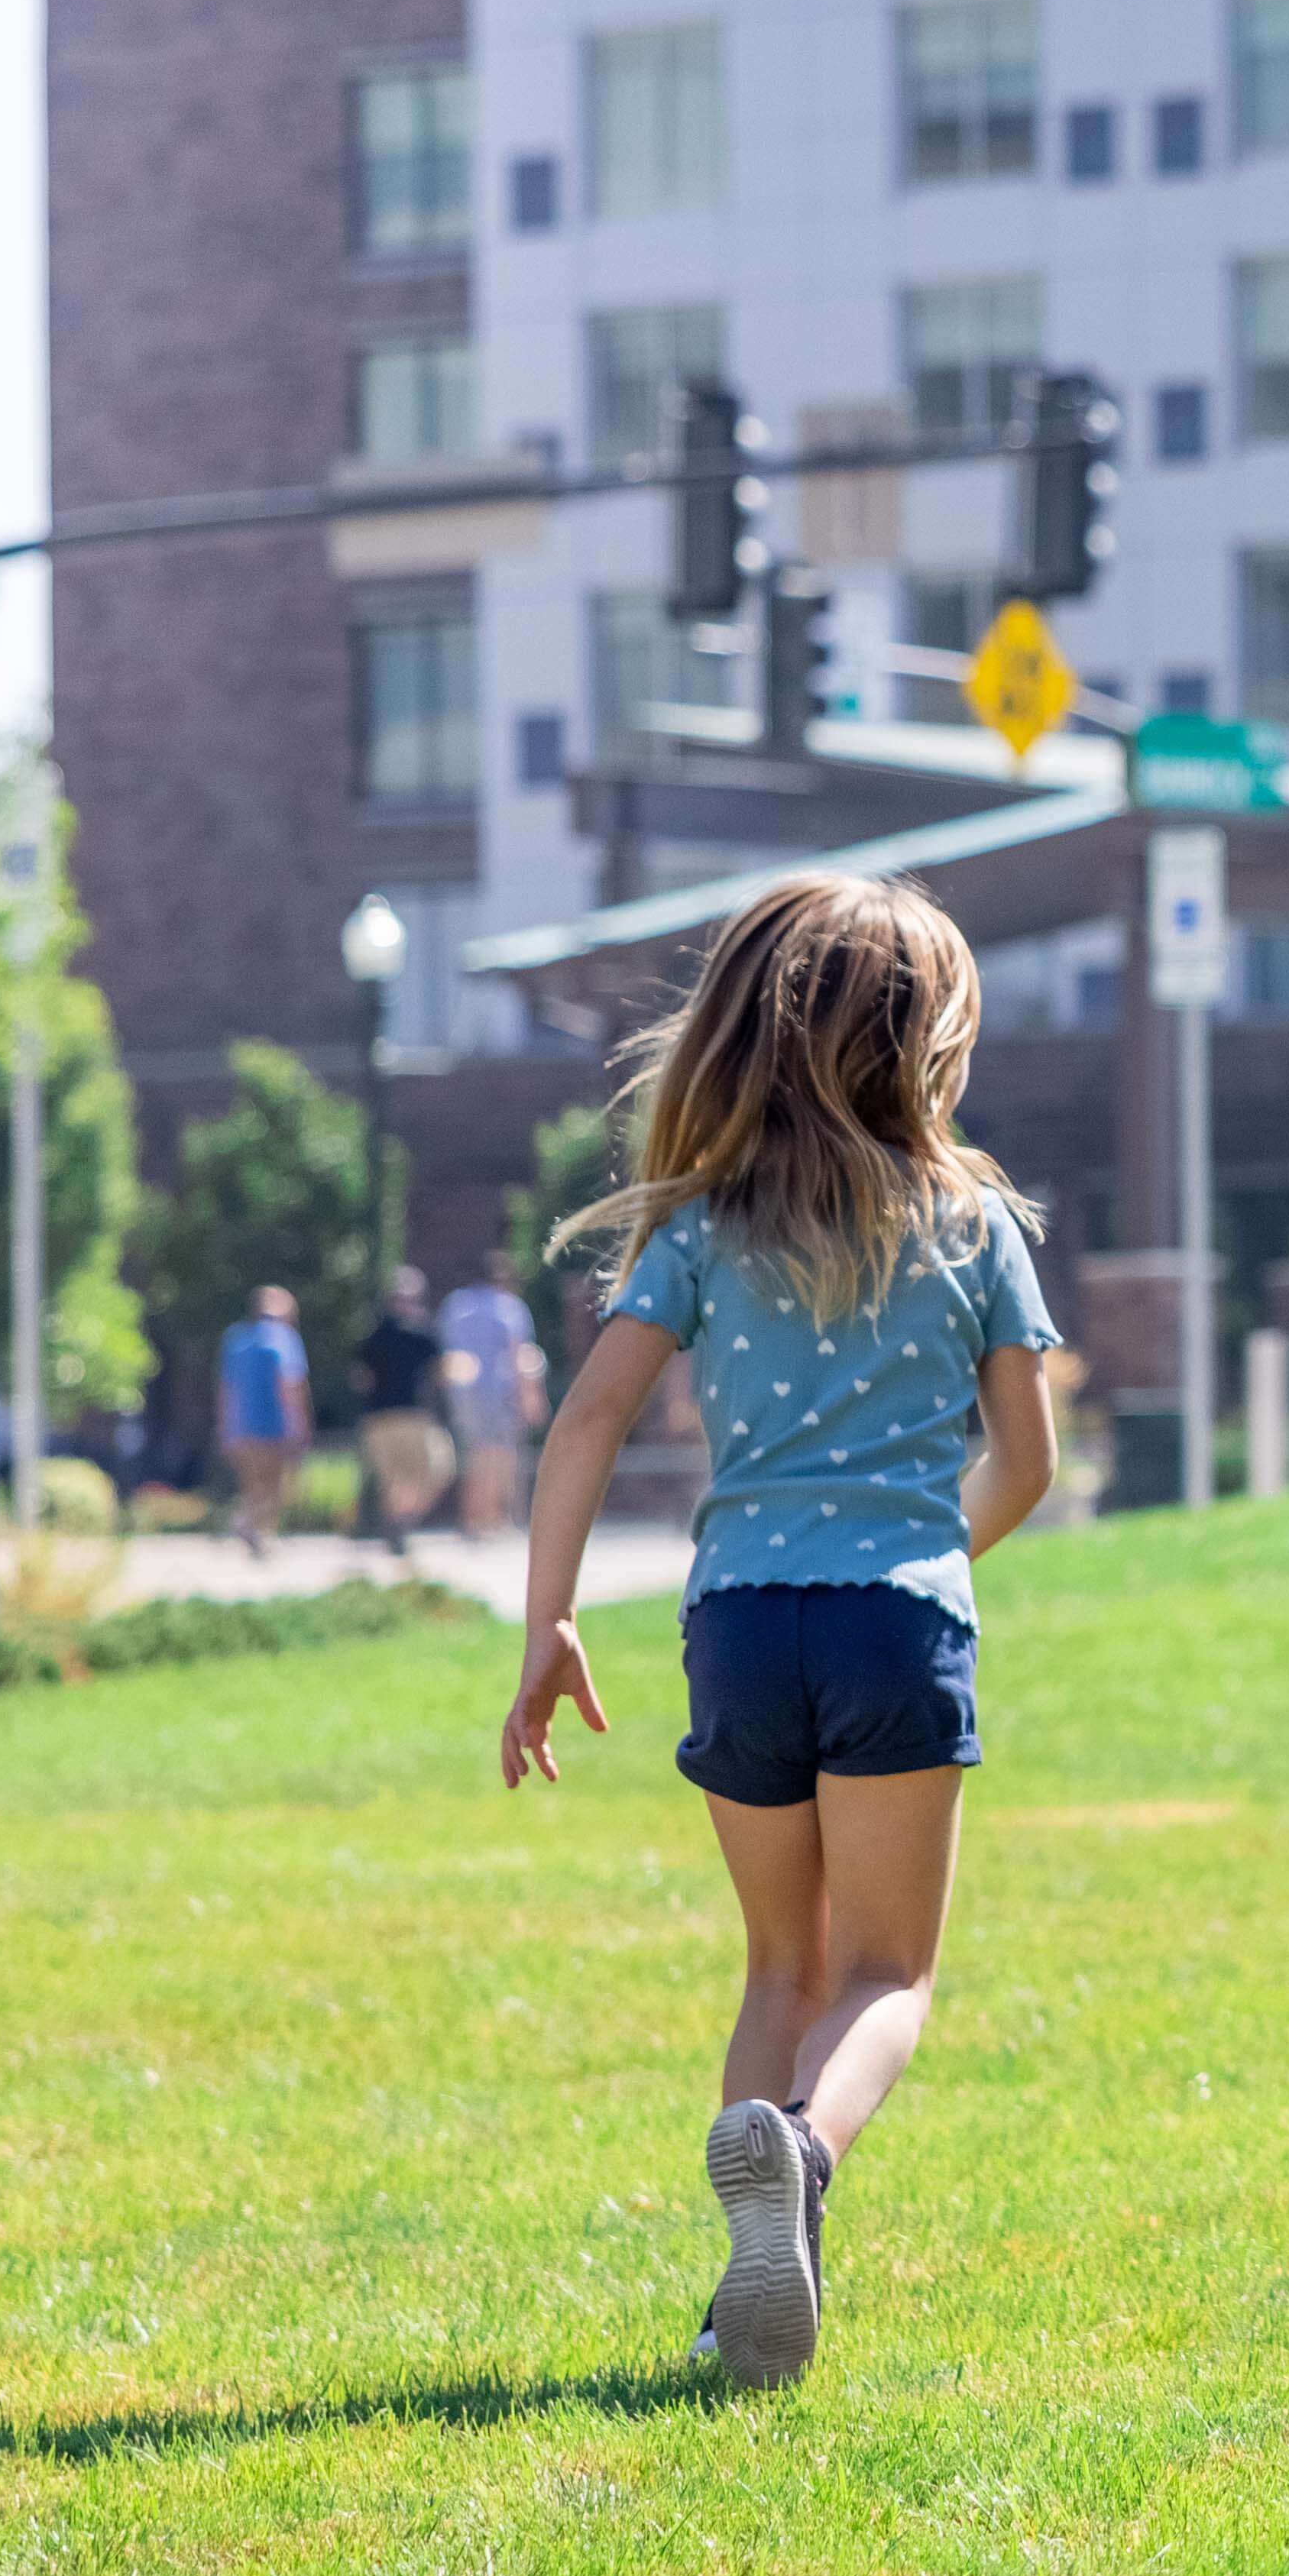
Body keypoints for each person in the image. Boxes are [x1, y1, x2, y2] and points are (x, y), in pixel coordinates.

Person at [494, 872, 1067, 2395]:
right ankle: (799, 2157)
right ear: (925, 1042)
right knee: (889, 1975)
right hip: (895, 1619)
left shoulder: (701, 1227)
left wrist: (548, 1622)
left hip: (738, 1622)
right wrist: (934, 1552)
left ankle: (732, 2301)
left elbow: (588, 1419)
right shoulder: (973, 1223)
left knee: (777, 1969)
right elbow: (1029, 1462)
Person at [441, 1250, 547, 1536]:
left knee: (474, 1453)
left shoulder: (456, 1305)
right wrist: (532, 1398)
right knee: (501, 1455)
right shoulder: (510, 1307)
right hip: (501, 1392)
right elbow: (519, 1355)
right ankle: (494, 1518)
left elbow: (448, 1355)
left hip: (464, 1393)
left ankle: (471, 1518)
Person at [348, 1268, 451, 1555]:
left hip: (377, 1418)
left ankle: (396, 1525)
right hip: (412, 1416)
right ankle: (402, 1523)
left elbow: (360, 1379)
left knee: (395, 1480)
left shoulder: (370, 1336)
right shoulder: (424, 1333)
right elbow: (441, 1374)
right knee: (437, 1472)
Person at [215, 1285, 308, 1554]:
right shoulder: (285, 1338)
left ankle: (254, 1531)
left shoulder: (235, 1338)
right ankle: (253, 1528)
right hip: (276, 1423)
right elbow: (291, 1386)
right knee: (275, 1485)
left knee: (252, 1484)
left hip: (241, 1425)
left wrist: (224, 1427)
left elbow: (226, 1388)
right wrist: (300, 1425)